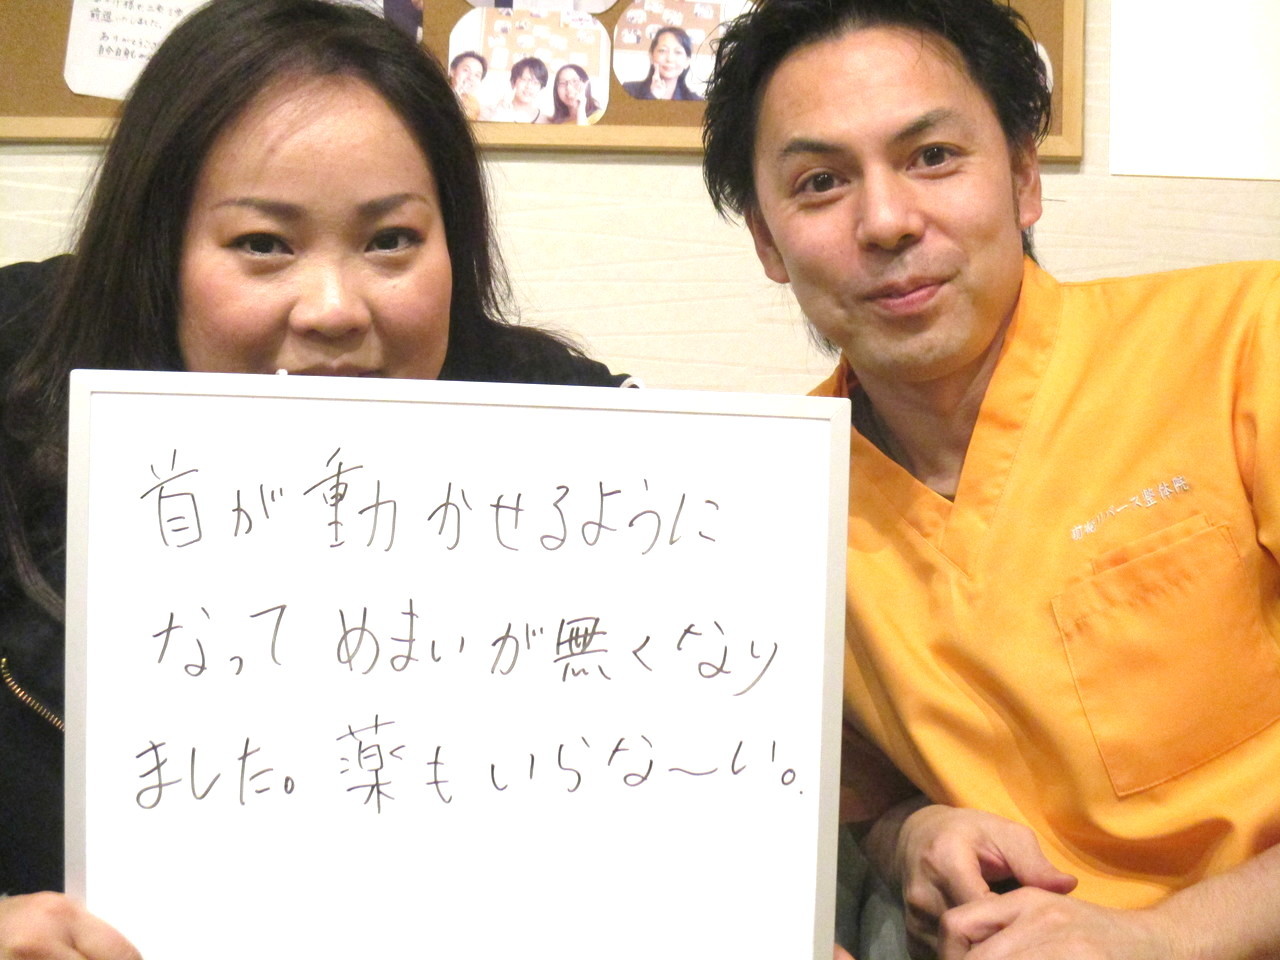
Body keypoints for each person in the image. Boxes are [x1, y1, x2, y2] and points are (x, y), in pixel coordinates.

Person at [0, 0, 627, 953]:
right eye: (263, 244)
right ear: (158, 254)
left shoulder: (571, 434)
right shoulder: (19, 396)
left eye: (390, 240)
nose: (334, 309)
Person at [703, 0, 1280, 958]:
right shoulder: (770, 498)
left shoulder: (1245, 342)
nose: (887, 221)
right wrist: (913, 835)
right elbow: (853, 794)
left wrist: (1162, 939)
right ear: (767, 240)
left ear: (1022, 176)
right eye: (820, 183)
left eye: (932, 156)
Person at [622, 26, 703, 101]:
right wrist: (652, 96)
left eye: (678, 52)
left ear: (687, 62)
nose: (670, 59)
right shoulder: (628, 91)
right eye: (662, 51)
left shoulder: (696, 101)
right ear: (651, 56)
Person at [480, 56, 547, 123]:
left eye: (535, 83)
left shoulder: (545, 121)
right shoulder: (490, 113)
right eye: (524, 79)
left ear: (541, 87)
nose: (529, 86)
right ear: (513, 82)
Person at [448, 50, 487, 120]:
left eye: (477, 75)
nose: (471, 78)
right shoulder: (436, 95)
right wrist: (455, 95)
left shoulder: (474, 104)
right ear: (452, 71)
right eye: (466, 70)